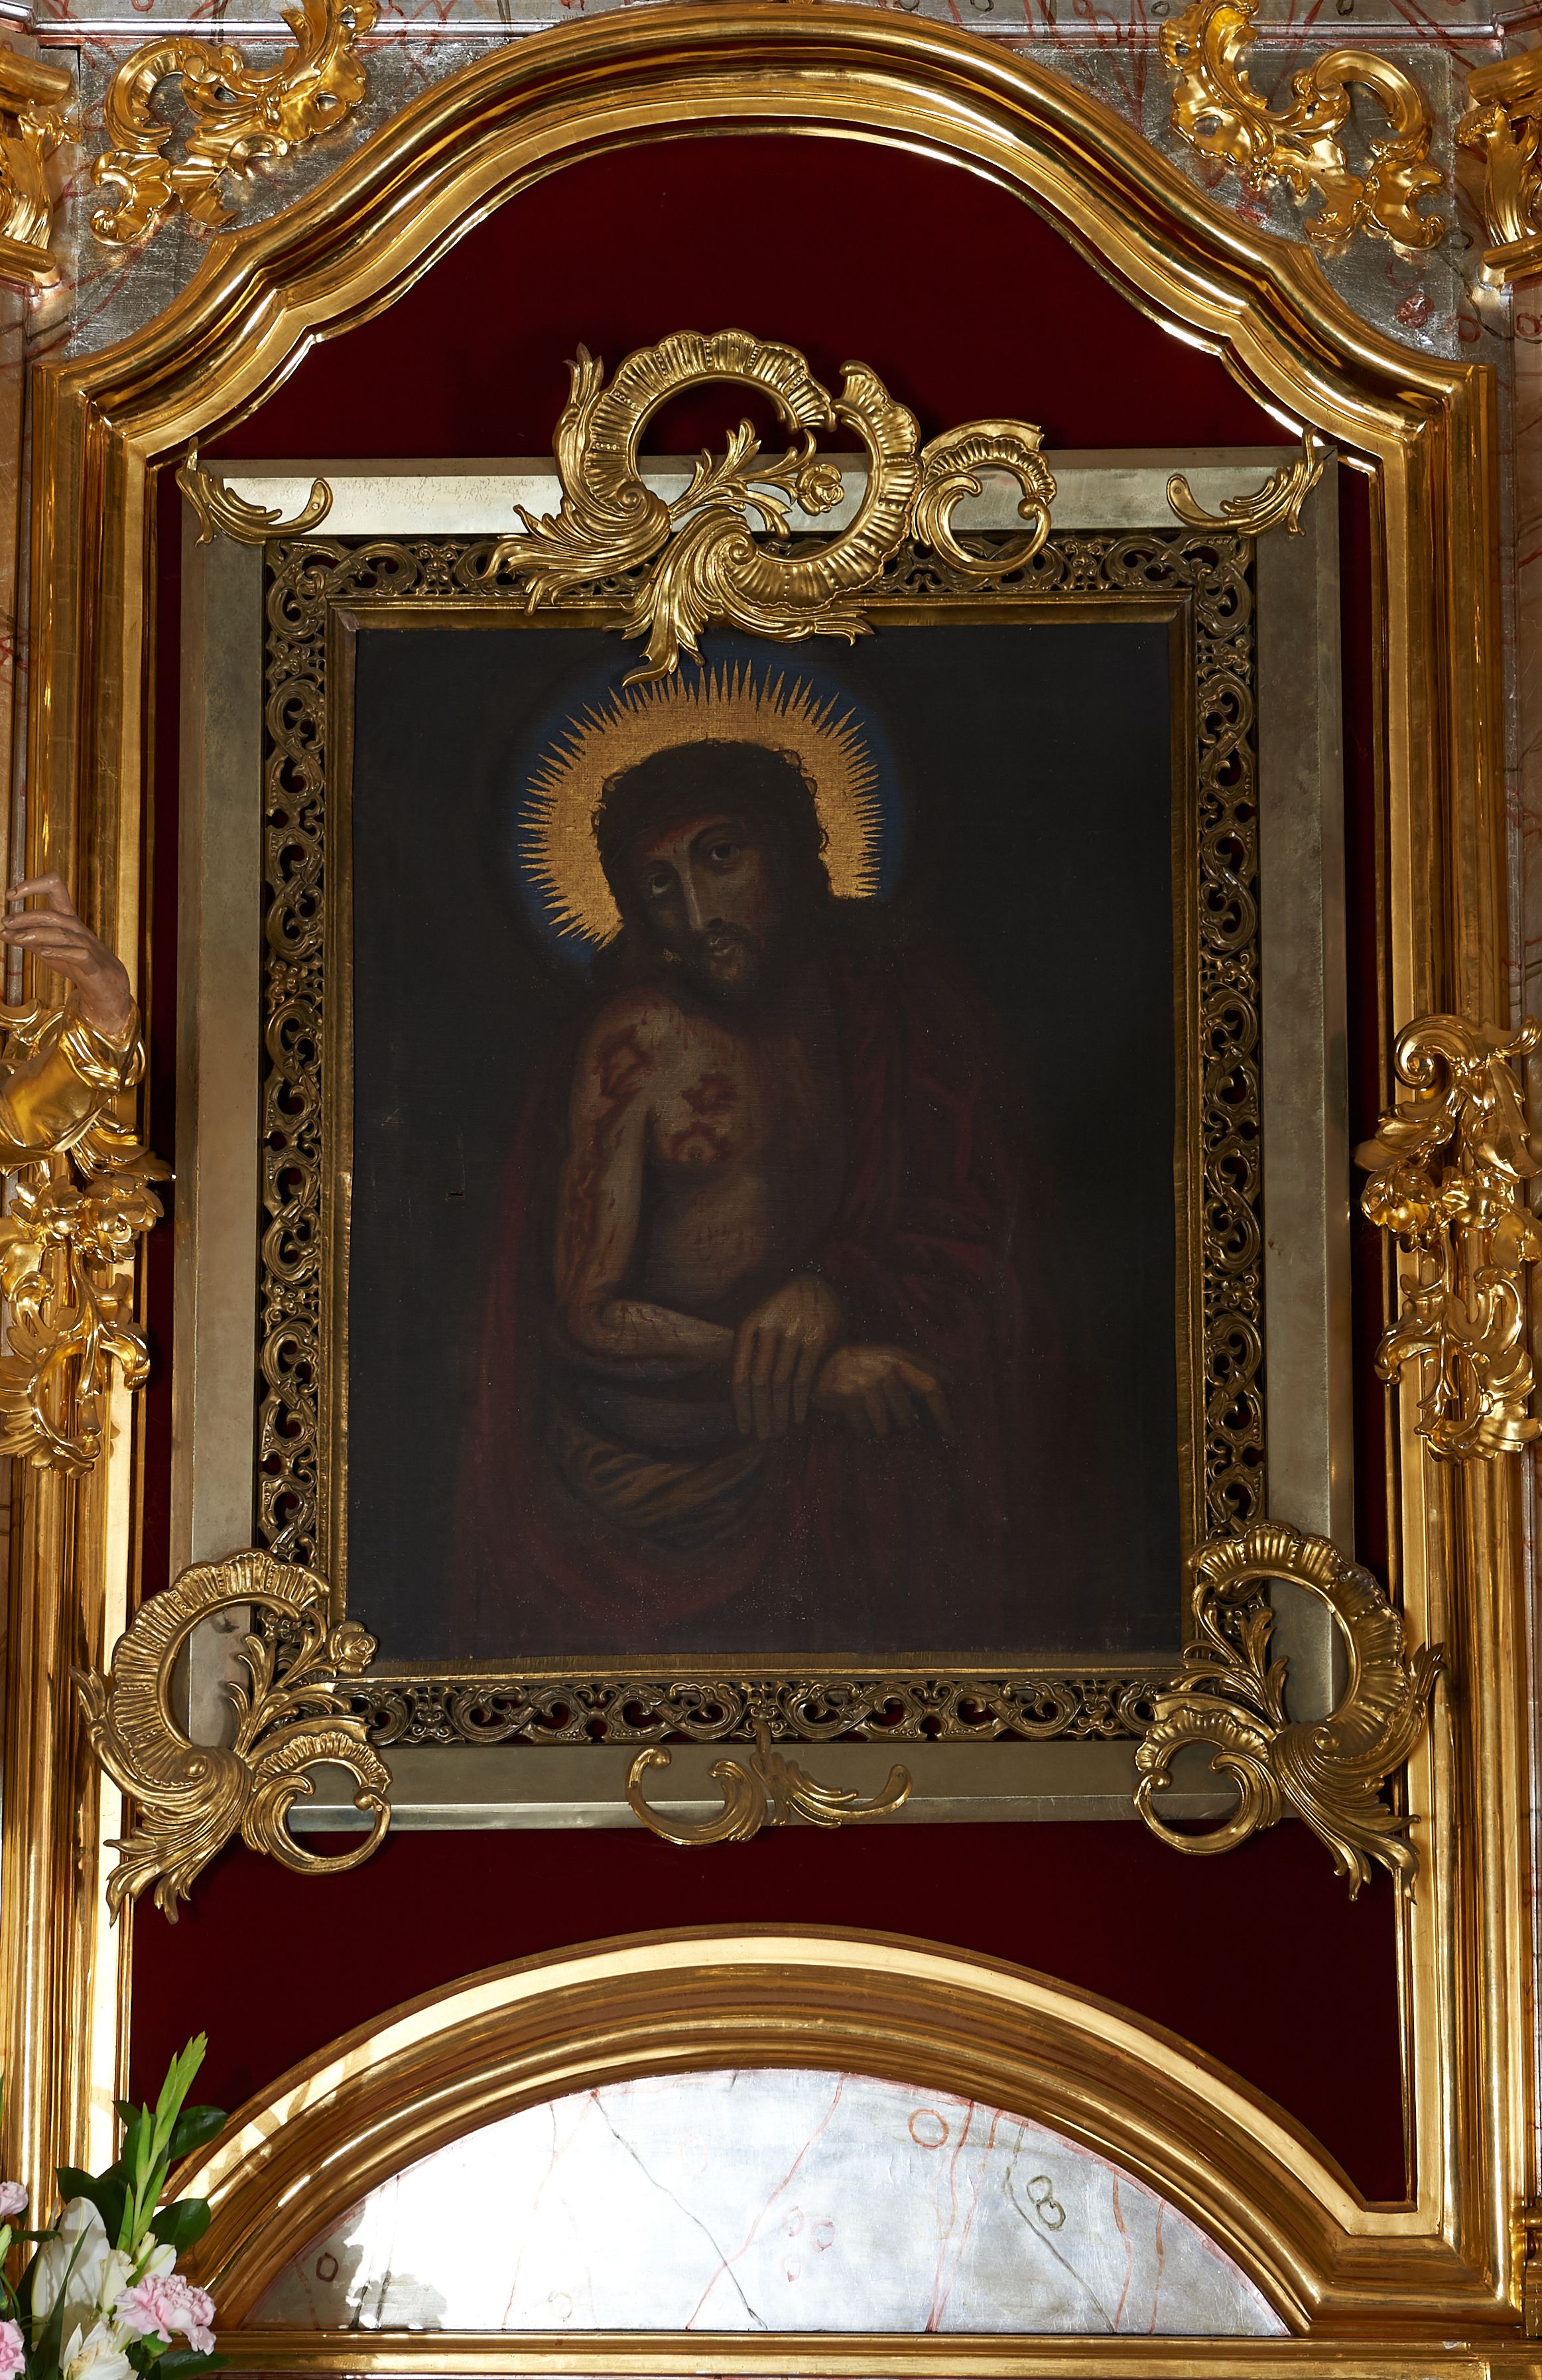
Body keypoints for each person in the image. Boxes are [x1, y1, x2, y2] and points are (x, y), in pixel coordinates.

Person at [459, 736, 1041, 1658]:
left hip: (809, 1472)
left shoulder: (875, 1010)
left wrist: (834, 1293)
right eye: (659, 885)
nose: (697, 916)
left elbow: (966, 1219)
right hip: (649, 1491)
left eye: (720, 857)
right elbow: (588, 1315)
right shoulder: (642, 1039)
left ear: (789, 849)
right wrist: (813, 1374)